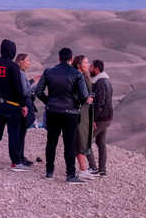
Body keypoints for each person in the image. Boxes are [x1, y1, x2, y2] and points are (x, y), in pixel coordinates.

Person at [35, 47, 90, 183]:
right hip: (70, 113)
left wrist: (49, 101)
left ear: (59, 58)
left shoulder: (49, 72)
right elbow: (84, 97)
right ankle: (70, 175)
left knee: (51, 142)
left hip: (52, 111)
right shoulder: (77, 75)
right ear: (71, 59)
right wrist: (80, 101)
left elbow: (38, 91)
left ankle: (49, 172)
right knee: (69, 144)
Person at [0, 39, 29, 171]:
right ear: (12, 51)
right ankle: (15, 163)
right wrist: (23, 104)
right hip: (12, 105)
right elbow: (18, 89)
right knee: (13, 134)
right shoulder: (13, 67)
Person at [72, 55, 95, 181]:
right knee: (80, 138)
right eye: (85, 62)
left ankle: (83, 168)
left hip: (86, 112)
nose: (88, 64)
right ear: (78, 64)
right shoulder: (77, 76)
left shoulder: (84, 76)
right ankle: (82, 169)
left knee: (83, 137)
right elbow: (76, 95)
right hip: (80, 112)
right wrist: (86, 99)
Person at [89, 59, 113, 177]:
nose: (89, 69)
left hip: (101, 118)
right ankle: (102, 170)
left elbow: (100, 103)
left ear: (96, 69)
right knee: (100, 142)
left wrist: (94, 119)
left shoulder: (101, 82)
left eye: (91, 67)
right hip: (106, 117)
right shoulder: (105, 81)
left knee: (86, 142)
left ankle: (93, 168)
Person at [16, 53, 37, 166]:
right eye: (27, 60)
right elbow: (24, 91)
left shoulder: (21, 73)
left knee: (22, 132)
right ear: (21, 61)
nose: (29, 62)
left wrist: (33, 81)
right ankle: (19, 158)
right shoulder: (20, 73)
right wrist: (34, 90)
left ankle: (20, 156)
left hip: (23, 103)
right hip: (24, 104)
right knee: (21, 132)